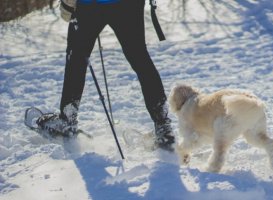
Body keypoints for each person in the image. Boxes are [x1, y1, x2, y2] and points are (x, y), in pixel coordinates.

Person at [37, 0, 175, 151]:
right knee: (140, 58)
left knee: (76, 60)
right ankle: (163, 126)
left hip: (90, 5)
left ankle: (67, 120)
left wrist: (68, 3)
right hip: (127, 5)